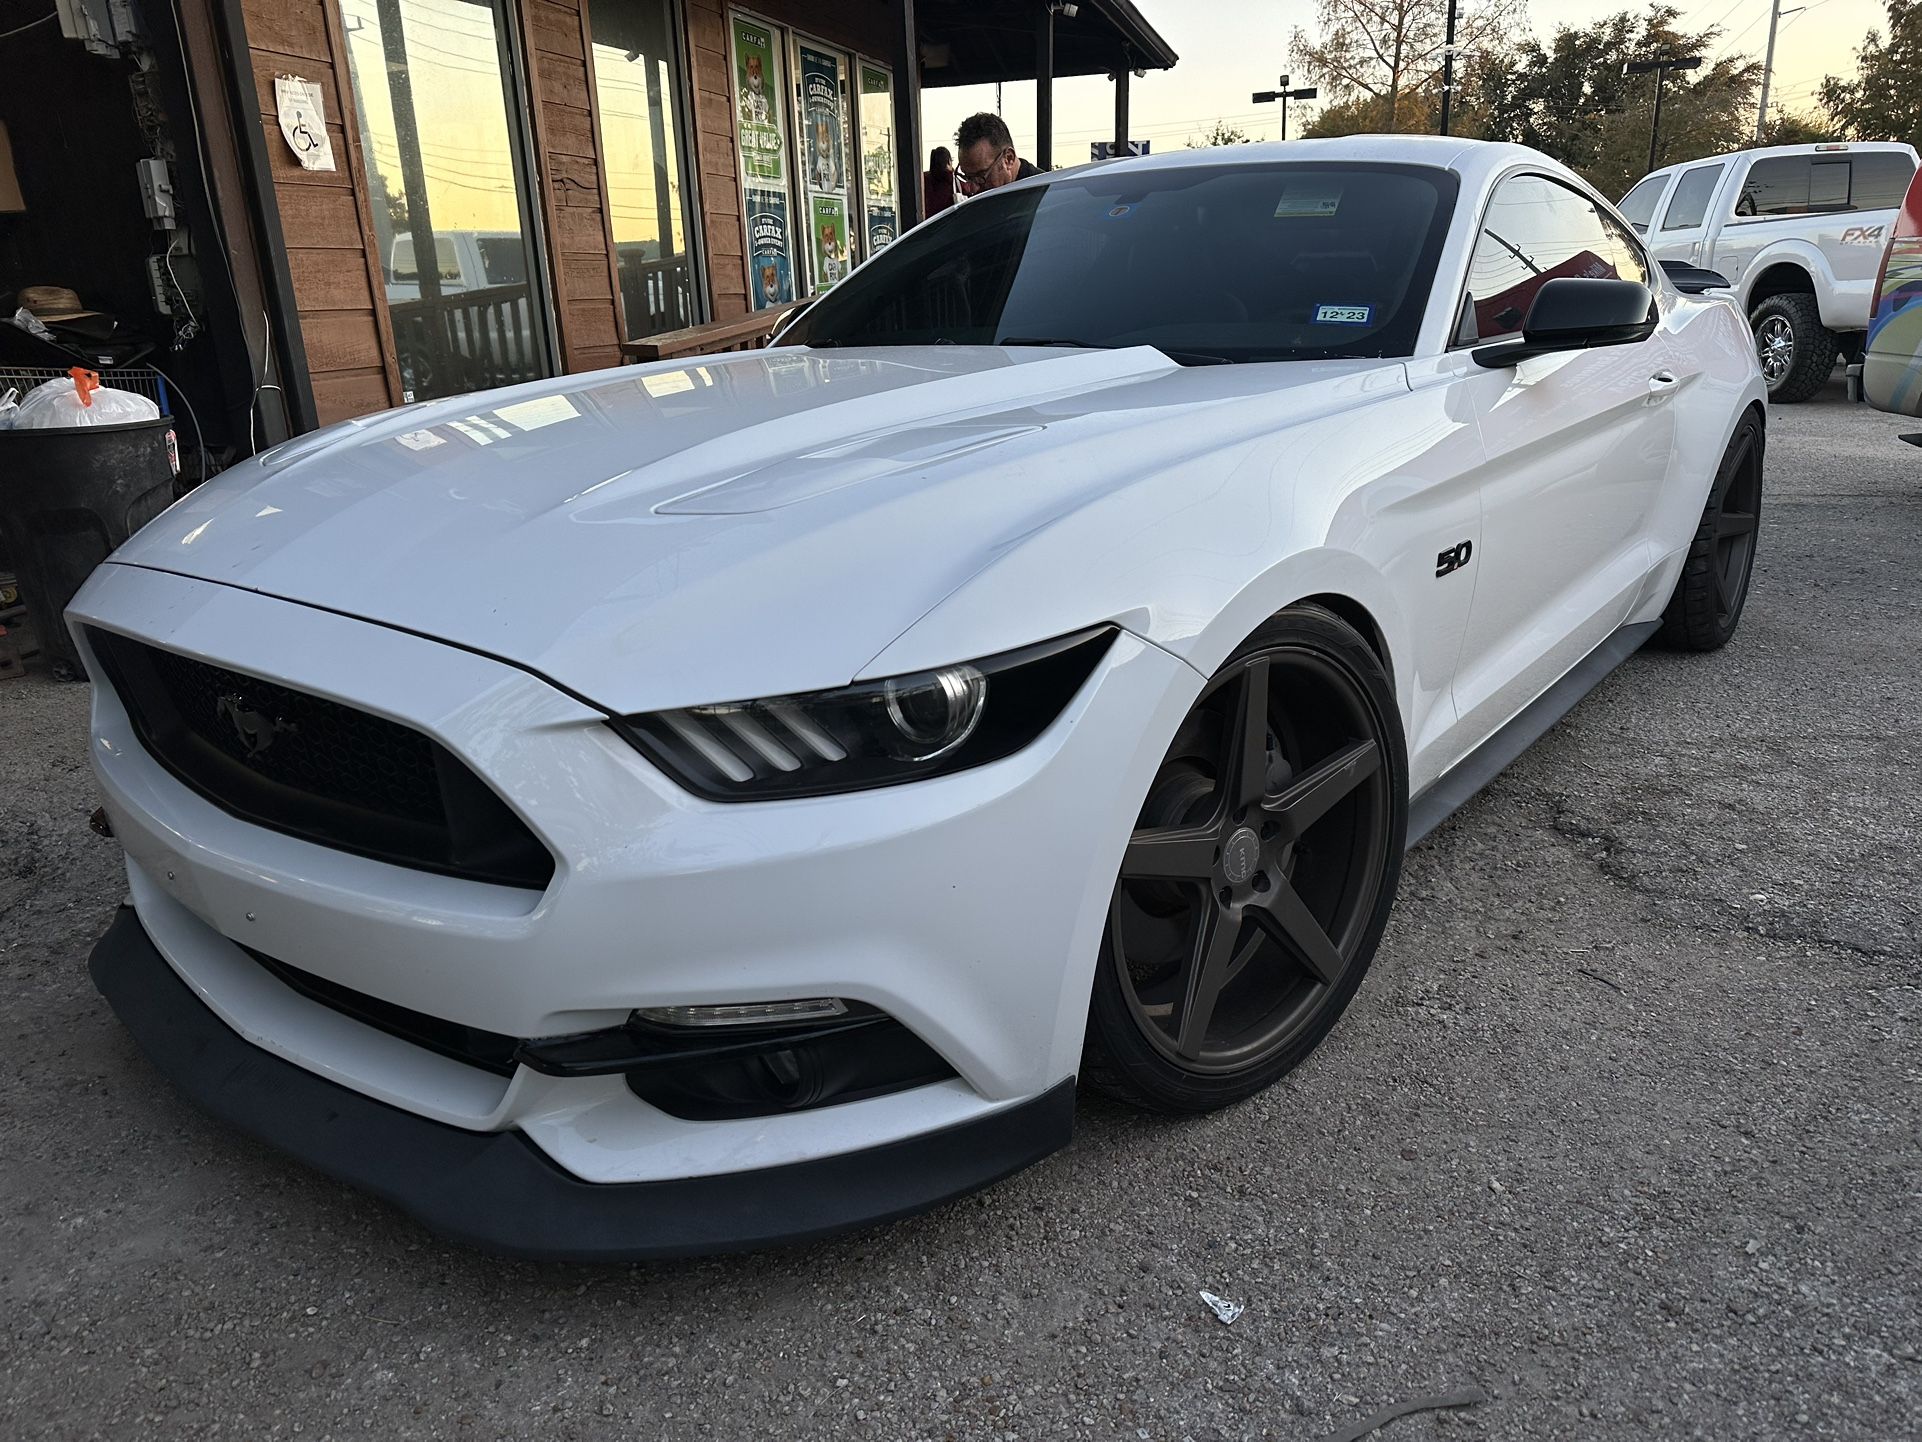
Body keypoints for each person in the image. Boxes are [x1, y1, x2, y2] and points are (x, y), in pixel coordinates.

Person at [954, 113, 1040, 196]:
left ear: (1009, 159)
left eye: (980, 176)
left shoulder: (1046, 197)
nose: (972, 189)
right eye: (967, 177)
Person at [923, 146, 957, 217]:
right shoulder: (953, 180)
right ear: (949, 161)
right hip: (949, 222)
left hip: (927, 223)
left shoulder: (923, 179)